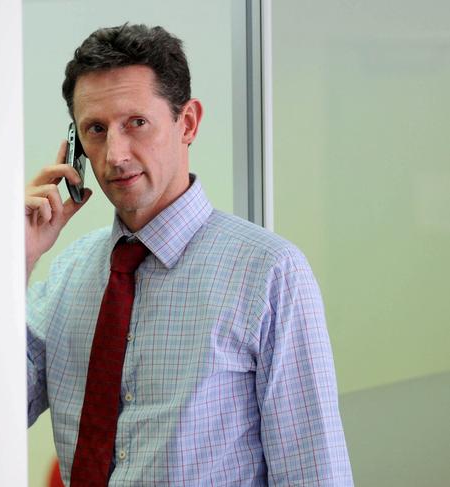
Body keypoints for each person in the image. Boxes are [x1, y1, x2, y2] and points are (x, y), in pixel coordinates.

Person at [25, 23, 353, 486]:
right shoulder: (68, 273)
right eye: (95, 130)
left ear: (189, 123)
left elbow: (313, 472)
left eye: (136, 123)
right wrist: (19, 259)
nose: (115, 154)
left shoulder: (269, 273)